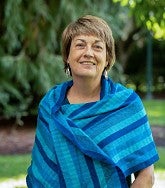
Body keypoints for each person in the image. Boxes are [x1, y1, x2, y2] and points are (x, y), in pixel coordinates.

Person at [26, 15, 159, 188]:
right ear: (67, 55)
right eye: (80, 45)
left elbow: (146, 175)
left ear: (108, 58)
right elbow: (43, 175)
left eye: (97, 47)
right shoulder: (50, 106)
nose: (88, 53)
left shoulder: (126, 104)